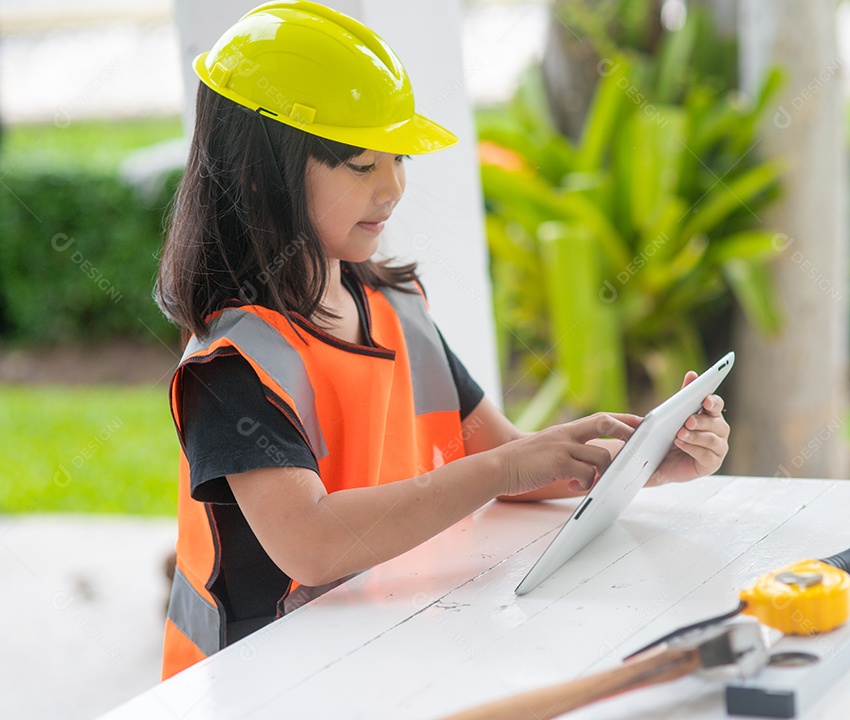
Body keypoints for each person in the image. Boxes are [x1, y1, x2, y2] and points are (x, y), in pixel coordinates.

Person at [155, 0, 730, 680]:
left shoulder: (397, 308)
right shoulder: (233, 365)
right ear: (257, 171)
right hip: (260, 684)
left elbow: (505, 459)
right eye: (360, 165)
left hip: (375, 651)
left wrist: (640, 463)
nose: (393, 186)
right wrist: (504, 471)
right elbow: (309, 544)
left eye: (396, 157)